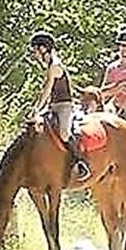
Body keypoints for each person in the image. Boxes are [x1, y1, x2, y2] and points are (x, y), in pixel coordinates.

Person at [29, 31, 90, 181]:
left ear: (43, 49)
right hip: (53, 106)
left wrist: (37, 108)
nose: (34, 54)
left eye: (35, 50)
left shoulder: (55, 66)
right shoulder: (49, 65)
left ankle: (80, 163)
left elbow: (47, 89)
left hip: (64, 106)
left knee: (64, 133)